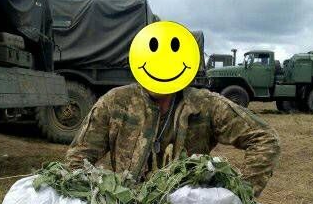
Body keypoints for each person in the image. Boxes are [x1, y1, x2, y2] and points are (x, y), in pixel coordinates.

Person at [65, 84, 280, 197]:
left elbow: (264, 138)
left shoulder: (204, 104)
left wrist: (240, 195)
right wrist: (99, 199)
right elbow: (78, 159)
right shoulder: (116, 102)